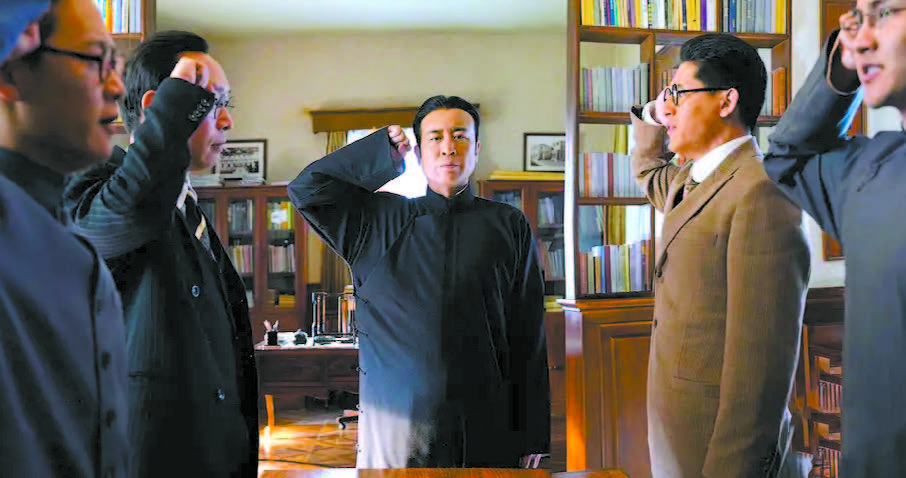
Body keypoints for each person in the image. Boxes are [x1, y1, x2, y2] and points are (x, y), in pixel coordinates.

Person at [288, 95, 550, 468]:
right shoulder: (376, 222)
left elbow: (528, 332)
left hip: (486, 422)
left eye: (460, 136)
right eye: (435, 137)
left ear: (476, 149)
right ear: (418, 152)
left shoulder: (508, 224)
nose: (448, 147)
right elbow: (306, 190)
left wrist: (531, 434)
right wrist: (380, 154)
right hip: (396, 430)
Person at [63, 31, 259, 477]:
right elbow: (123, 218)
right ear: (161, 107)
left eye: (227, 104)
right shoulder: (93, 181)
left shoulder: (190, 209)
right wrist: (174, 110)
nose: (227, 121)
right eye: (212, 102)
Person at [631, 33, 811, 477]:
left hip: (718, 447)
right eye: (666, 95)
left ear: (726, 101)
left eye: (679, 93)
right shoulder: (688, 180)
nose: (668, 107)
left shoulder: (761, 191)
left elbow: (759, 370)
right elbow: (648, 168)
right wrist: (655, 111)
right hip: (676, 428)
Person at [763, 4, 906, 475]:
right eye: (855, 22)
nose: (861, 40)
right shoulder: (872, 170)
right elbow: (786, 156)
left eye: (885, 13)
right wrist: (841, 71)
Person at [0, 0, 131, 476]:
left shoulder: (69, 239)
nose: (116, 86)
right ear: (11, 72)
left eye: (116, 64)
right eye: (96, 60)